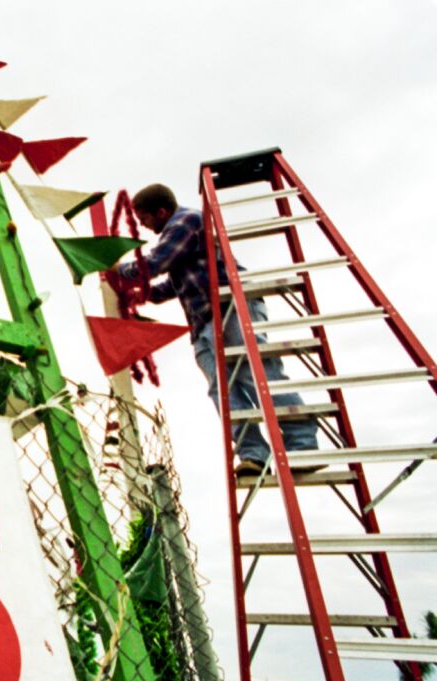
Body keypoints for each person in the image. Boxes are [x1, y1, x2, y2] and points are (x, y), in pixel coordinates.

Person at [116, 183, 319, 477]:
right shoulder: (181, 239)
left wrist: (116, 270)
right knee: (223, 391)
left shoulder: (184, 222)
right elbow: (175, 282)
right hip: (204, 321)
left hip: (231, 307)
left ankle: (301, 446)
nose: (145, 227)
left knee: (257, 374)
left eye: (145, 219)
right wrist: (145, 295)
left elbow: (155, 264)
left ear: (161, 211)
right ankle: (253, 454)